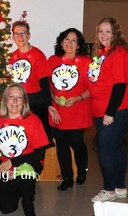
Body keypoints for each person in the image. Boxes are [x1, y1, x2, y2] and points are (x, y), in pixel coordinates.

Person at [0, 83, 49, 216]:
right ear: (5, 99)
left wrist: (13, 162)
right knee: (7, 208)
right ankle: (21, 189)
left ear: (24, 101)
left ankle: (27, 200)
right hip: (4, 166)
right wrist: (1, 167)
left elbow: (40, 154)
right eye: (11, 97)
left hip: (29, 162)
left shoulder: (33, 120)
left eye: (19, 97)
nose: (15, 101)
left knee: (24, 177)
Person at [48, 28, 92, 190]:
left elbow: (92, 88)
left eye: (74, 40)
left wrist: (78, 98)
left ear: (79, 45)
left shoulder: (87, 63)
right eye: (67, 39)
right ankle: (67, 177)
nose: (70, 43)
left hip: (78, 110)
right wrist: (53, 98)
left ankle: (82, 171)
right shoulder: (52, 61)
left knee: (77, 143)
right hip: (58, 111)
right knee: (61, 145)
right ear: (61, 42)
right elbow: (46, 84)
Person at [89, 17, 128, 202]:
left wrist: (110, 113)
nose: (103, 35)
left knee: (105, 148)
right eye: (100, 31)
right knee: (116, 148)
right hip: (101, 109)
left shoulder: (118, 52)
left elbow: (120, 85)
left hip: (114, 110)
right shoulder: (103, 53)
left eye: (108, 31)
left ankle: (109, 189)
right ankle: (120, 187)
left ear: (115, 33)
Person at [9, 21, 59, 146]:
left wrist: (49, 105)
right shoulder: (13, 57)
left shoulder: (38, 55)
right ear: (13, 37)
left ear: (29, 35)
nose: (20, 37)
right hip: (19, 103)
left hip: (37, 102)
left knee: (41, 139)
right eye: (17, 34)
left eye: (23, 33)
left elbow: (44, 82)